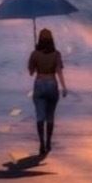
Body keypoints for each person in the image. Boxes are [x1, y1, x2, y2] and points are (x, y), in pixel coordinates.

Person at [27, 27, 67, 157]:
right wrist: (64, 87)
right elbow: (59, 71)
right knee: (50, 116)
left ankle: (41, 143)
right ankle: (49, 142)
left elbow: (31, 72)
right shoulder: (56, 54)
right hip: (52, 84)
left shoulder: (35, 54)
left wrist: (35, 58)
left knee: (40, 116)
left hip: (39, 83)